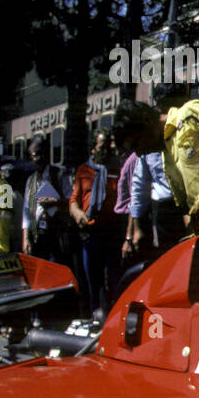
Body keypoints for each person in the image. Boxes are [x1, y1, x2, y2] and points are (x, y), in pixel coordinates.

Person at [110, 90, 199, 233]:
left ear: (146, 119)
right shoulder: (167, 151)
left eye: (136, 144)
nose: (139, 153)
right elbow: (186, 204)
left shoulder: (190, 112)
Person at [69, 129, 125, 316]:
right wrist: (78, 214)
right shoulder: (83, 170)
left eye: (109, 145)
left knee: (113, 276)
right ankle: (96, 314)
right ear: (93, 149)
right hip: (90, 231)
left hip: (112, 231)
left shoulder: (118, 169)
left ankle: (113, 315)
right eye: (101, 146)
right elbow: (73, 200)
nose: (106, 150)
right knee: (93, 277)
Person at [22, 135, 70, 262]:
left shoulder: (59, 174)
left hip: (55, 234)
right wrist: (26, 238)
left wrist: (55, 202)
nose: (38, 158)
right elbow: (26, 211)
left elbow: (71, 201)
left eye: (41, 154)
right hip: (37, 235)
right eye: (34, 155)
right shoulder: (30, 181)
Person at [126, 150, 182, 259]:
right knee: (168, 259)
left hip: (191, 204)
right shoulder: (146, 149)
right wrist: (136, 229)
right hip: (165, 211)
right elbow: (139, 187)